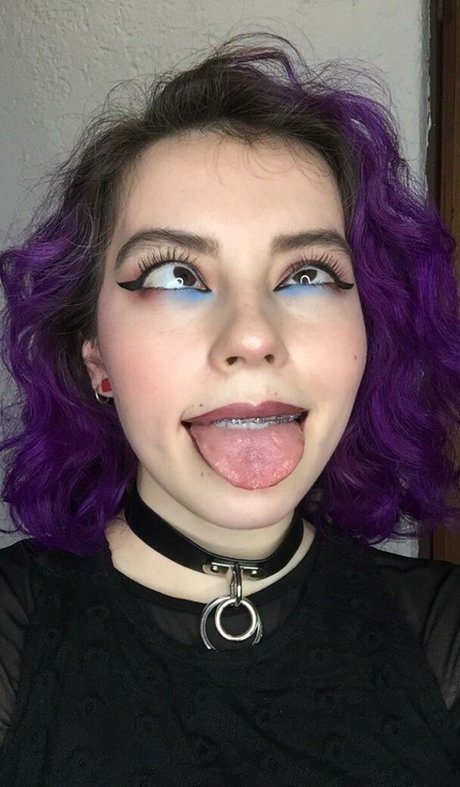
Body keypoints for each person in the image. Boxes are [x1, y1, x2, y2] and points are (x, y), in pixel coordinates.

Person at [0, 32, 459, 786]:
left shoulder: (443, 635)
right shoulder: (14, 635)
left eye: (307, 273)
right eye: (175, 275)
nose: (252, 336)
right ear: (96, 358)